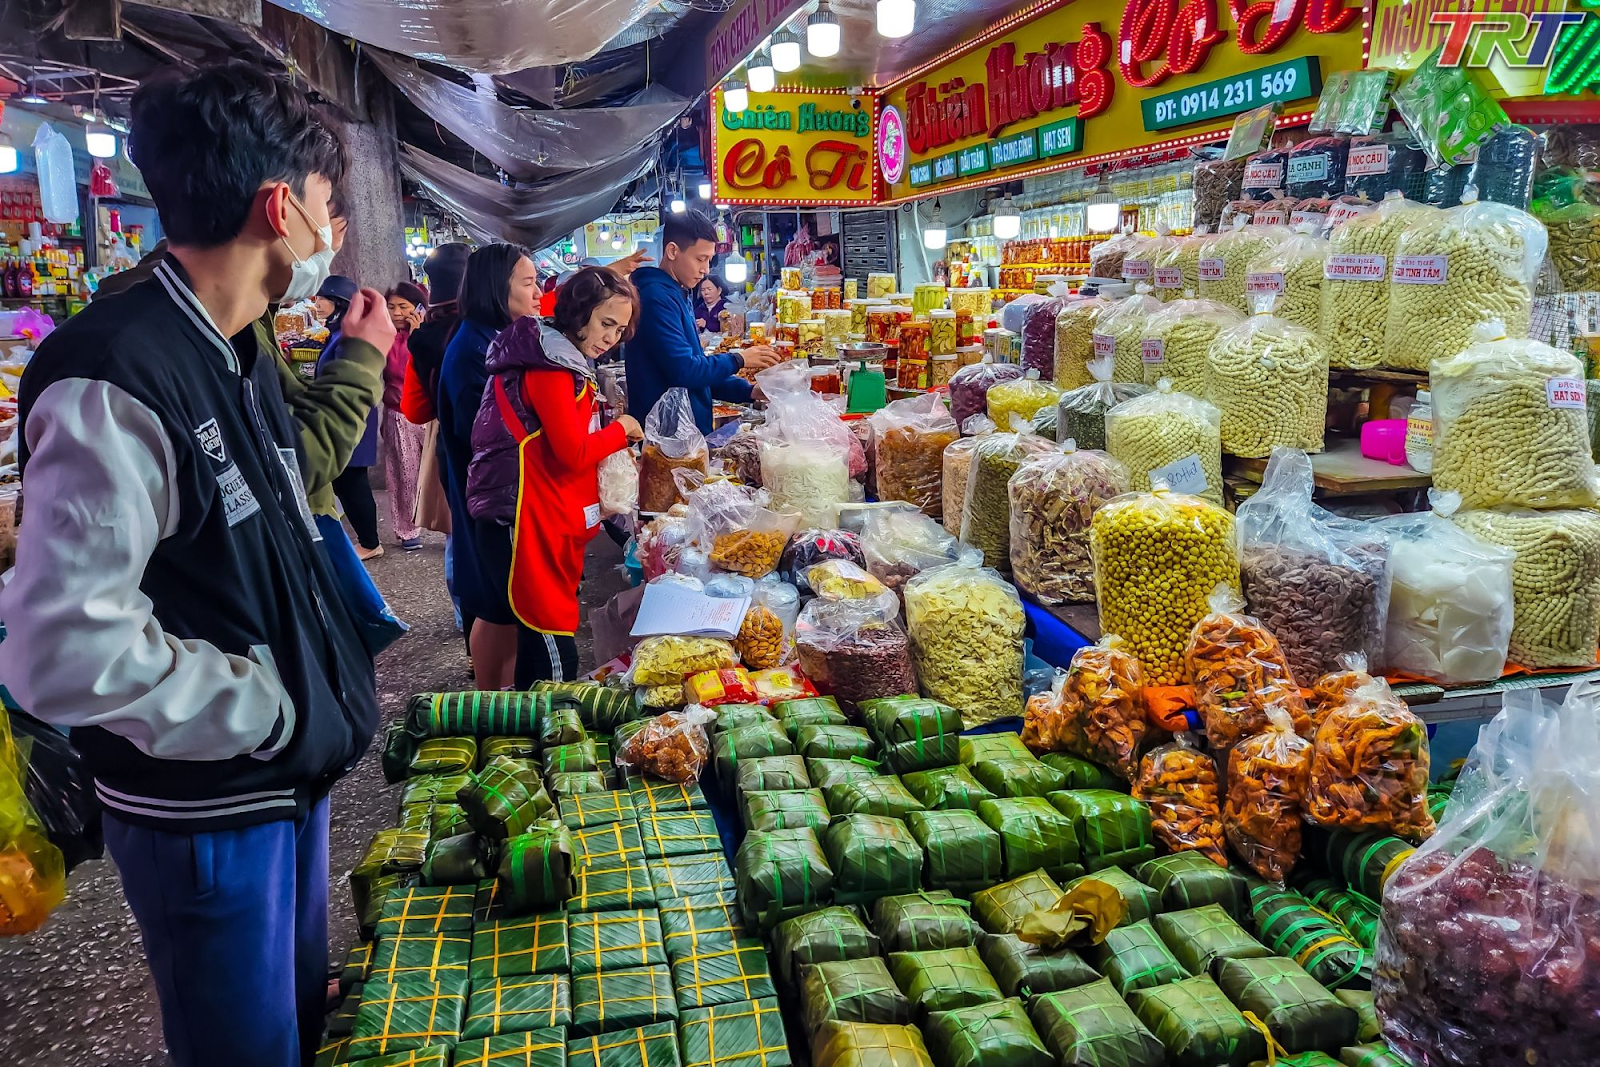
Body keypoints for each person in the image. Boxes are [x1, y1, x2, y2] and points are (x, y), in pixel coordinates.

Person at [0, 62, 390, 1067]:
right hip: (208, 809)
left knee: (294, 1024)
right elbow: (64, 650)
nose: (331, 229)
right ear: (278, 207)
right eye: (326, 205)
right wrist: (260, 706)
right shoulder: (116, 372)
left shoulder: (231, 345)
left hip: (277, 784)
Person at [468, 268, 643, 685]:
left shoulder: (561, 360)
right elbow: (571, 453)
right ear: (578, 311)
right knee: (551, 645)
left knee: (544, 637)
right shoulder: (550, 368)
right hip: (523, 518)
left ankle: (534, 729)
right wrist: (622, 431)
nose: (611, 338)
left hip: (543, 515)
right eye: (605, 324)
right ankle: (553, 730)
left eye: (619, 329)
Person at [438, 243, 539, 691]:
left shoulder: (494, 336)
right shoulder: (473, 349)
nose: (539, 293)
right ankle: (489, 694)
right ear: (499, 289)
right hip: (485, 493)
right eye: (529, 283)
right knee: (494, 598)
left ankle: (499, 691)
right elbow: (478, 430)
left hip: (495, 490)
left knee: (503, 600)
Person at [624, 209, 778, 435]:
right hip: (668, 440)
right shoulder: (655, 297)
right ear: (673, 251)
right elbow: (685, 371)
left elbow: (695, 371)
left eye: (709, 259)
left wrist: (748, 391)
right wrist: (739, 359)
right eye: (700, 259)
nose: (705, 269)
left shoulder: (676, 293)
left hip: (685, 436)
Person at [317, 274, 383, 560]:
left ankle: (370, 542)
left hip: (351, 419)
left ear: (340, 304)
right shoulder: (338, 333)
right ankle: (367, 539)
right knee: (347, 480)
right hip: (345, 417)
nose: (317, 304)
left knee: (352, 480)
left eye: (324, 300)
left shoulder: (347, 337)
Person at [381, 280, 429, 551]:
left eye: (403, 306)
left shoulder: (426, 334)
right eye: (391, 307)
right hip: (398, 413)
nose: (397, 312)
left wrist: (418, 332)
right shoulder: (386, 336)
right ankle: (408, 530)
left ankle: (451, 523)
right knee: (404, 475)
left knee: (438, 472)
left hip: (429, 414)